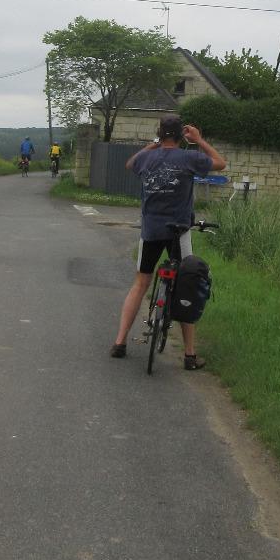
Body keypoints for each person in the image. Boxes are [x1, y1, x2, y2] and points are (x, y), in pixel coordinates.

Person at [110, 115, 226, 370]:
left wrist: (153, 144)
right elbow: (221, 163)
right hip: (179, 230)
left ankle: (119, 343)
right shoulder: (189, 158)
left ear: (160, 134)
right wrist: (199, 140)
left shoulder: (147, 158)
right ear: (181, 136)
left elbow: (131, 163)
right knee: (186, 284)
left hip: (151, 229)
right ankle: (189, 355)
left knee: (141, 283)